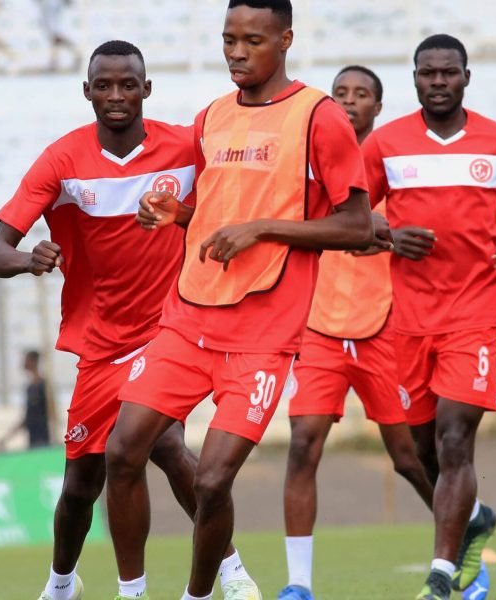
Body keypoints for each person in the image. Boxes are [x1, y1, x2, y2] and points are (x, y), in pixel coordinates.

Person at [107, 2, 377, 599]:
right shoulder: (211, 118)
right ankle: (130, 594)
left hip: (262, 335)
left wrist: (263, 229)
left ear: (285, 40)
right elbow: (214, 217)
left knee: (210, 481)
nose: (235, 51)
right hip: (188, 320)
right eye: (228, 39)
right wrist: (176, 215)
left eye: (251, 40)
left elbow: (357, 226)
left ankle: (200, 594)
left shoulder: (319, 117)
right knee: (122, 452)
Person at [0, 40, 253, 600]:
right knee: (81, 484)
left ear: (146, 90)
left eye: (128, 84)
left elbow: (223, 215)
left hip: (171, 331)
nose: (116, 95)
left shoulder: (184, 149)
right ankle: (62, 582)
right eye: (103, 85)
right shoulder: (62, 160)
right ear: (86, 92)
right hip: (101, 342)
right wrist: (29, 257)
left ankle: (224, 571)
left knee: (165, 447)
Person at [361, 34, 496, 600]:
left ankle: (441, 575)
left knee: (455, 435)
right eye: (427, 74)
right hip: (408, 319)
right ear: (414, 79)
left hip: (475, 312)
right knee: (423, 450)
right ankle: (474, 517)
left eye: (448, 73)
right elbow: (347, 217)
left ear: (467, 76)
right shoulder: (387, 145)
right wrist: (390, 235)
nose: (437, 82)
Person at [276, 65, 433, 600]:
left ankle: (457, 545)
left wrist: (381, 238)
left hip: (383, 331)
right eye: (340, 93)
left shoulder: (391, 173)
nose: (348, 102)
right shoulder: (312, 172)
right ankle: (298, 583)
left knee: (408, 457)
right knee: (303, 446)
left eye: (360, 94)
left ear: (377, 108)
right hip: (318, 330)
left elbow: (394, 235)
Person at [0, 350, 53, 450]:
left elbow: (51, 413)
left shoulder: (43, 385)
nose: (23, 363)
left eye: (26, 359)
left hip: (43, 440)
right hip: (33, 440)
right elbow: (28, 418)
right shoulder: (29, 388)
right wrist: (7, 437)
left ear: (33, 361)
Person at [38, 0, 82, 73]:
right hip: (52, 25)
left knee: (58, 40)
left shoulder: (53, 3)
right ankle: (54, 62)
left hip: (56, 25)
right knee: (56, 42)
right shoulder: (48, 4)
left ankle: (77, 55)